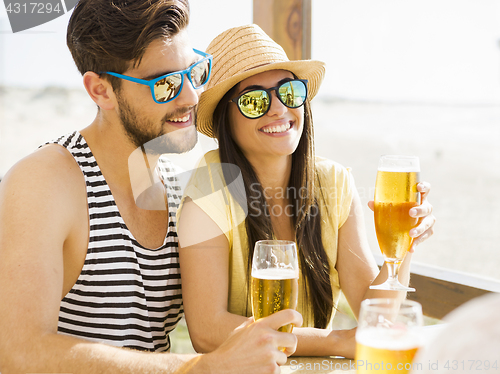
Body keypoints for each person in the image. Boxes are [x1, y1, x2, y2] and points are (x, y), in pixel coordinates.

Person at [0, 2, 302, 373]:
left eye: (194, 72)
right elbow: (18, 352)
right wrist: (201, 368)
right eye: (165, 84)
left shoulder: (180, 189)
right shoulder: (45, 183)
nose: (191, 96)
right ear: (101, 90)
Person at [176, 24, 436, 359]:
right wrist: (332, 341)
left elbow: (377, 315)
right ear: (226, 119)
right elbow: (207, 331)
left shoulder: (333, 183)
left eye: (290, 92)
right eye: (254, 101)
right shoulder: (209, 189)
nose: (279, 108)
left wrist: (404, 244)